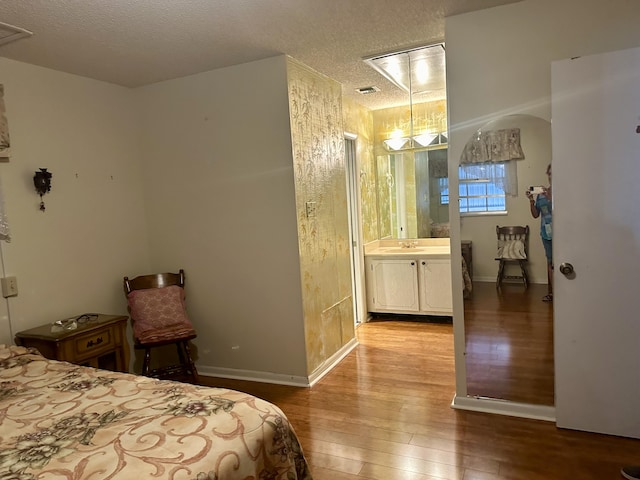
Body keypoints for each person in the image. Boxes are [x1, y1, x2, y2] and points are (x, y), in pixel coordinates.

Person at [526, 163, 553, 302]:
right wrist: (531, 201)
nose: (551, 176)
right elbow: (536, 215)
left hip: (563, 233)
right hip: (546, 232)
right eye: (549, 173)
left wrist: (550, 197)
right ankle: (552, 292)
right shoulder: (541, 195)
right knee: (550, 261)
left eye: (553, 173)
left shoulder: (562, 193)